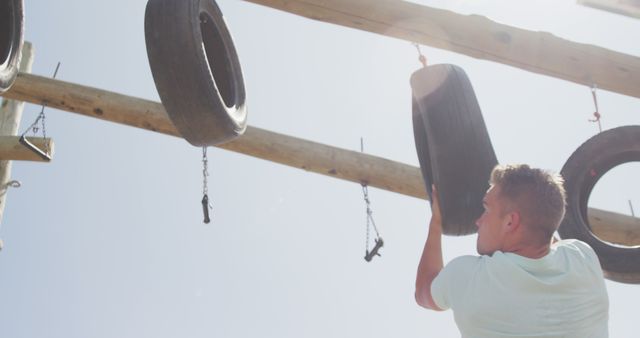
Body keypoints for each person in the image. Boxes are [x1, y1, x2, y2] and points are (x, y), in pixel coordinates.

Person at [415, 164, 609, 338]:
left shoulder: (468, 278)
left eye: (486, 209)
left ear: (510, 222)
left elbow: (424, 291)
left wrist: (436, 223)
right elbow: (545, 234)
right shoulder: (583, 258)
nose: (479, 220)